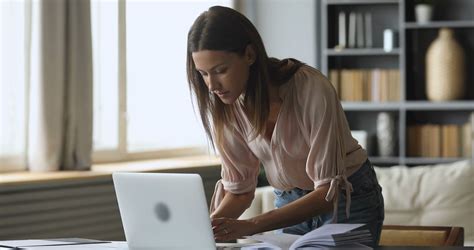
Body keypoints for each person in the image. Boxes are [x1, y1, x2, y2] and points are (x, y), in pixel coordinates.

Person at [186, 5, 384, 247]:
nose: (211, 85)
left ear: (249, 55)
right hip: (289, 203)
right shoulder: (227, 106)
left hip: (347, 198)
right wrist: (204, 229)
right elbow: (239, 191)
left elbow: (326, 193)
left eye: (220, 70)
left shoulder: (310, 89)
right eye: (203, 74)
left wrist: (252, 225)